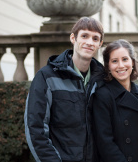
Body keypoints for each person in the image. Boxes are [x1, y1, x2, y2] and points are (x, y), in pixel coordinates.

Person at [24, 17, 105, 162]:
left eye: (95, 38)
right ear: (73, 38)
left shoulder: (103, 80)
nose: (89, 42)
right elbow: (36, 129)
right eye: (84, 36)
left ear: (100, 44)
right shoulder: (47, 76)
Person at [92, 39, 138, 162]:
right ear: (108, 66)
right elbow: (105, 143)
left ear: (132, 62)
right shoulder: (103, 96)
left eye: (125, 59)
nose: (121, 65)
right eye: (114, 61)